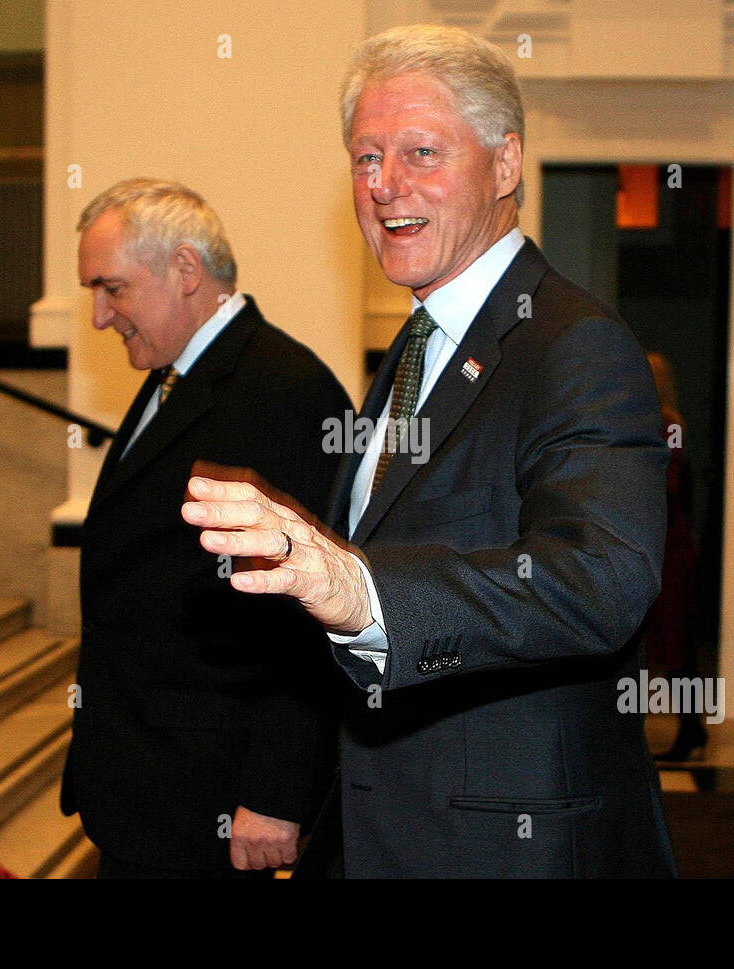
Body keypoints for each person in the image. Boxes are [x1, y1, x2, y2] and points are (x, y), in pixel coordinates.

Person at [182, 25, 675, 878]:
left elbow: (604, 580)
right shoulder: (417, 349)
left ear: (506, 164)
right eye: (365, 157)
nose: (384, 185)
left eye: (420, 151)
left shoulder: (574, 345)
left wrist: (365, 592)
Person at [60, 178, 351, 876]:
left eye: (112, 289)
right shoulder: (177, 377)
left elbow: (305, 614)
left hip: (213, 799)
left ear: (185, 270)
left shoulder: (285, 389)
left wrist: (276, 792)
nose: (100, 316)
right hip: (150, 783)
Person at [644, 353, 705, 762]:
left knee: (673, 641)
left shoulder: (666, 425)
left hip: (666, 546)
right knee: (666, 641)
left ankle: (691, 727)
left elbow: (663, 488)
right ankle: (691, 727)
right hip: (663, 542)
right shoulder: (664, 422)